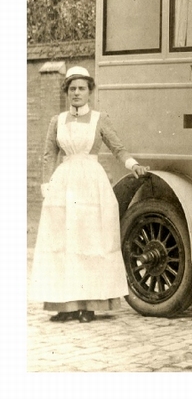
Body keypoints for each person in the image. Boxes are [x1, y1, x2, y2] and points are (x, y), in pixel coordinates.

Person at [30, 66, 148, 323]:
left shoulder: (99, 119)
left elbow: (118, 148)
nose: (76, 93)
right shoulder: (56, 121)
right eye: (72, 89)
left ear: (90, 92)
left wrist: (133, 165)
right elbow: (50, 155)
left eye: (81, 88)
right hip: (63, 186)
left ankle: (89, 305)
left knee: (89, 242)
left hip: (92, 186)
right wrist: (45, 186)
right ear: (66, 92)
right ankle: (65, 305)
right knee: (63, 243)